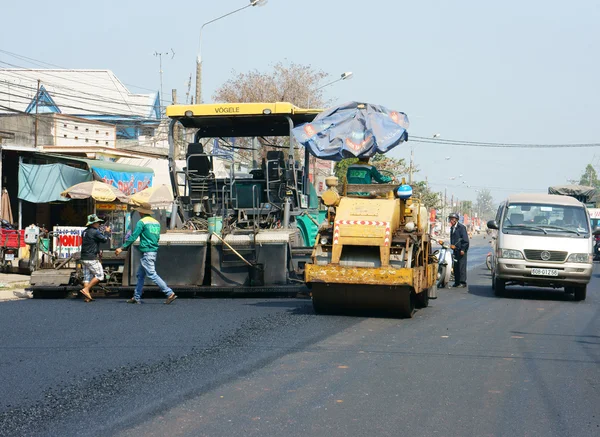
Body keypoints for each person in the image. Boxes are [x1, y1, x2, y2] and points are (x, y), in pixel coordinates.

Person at [115, 206, 177, 304]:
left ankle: (169, 293)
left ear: (141, 213)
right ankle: (136, 297)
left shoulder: (142, 222)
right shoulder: (156, 223)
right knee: (140, 275)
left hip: (147, 252)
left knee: (152, 274)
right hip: (152, 251)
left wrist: (122, 247)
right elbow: (157, 238)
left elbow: (133, 236)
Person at [80, 214, 111, 302]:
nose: (98, 224)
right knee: (100, 275)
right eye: (97, 222)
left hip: (84, 257)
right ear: (93, 223)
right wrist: (107, 232)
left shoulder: (85, 231)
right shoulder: (95, 231)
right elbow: (104, 239)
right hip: (91, 258)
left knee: (87, 277)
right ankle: (86, 290)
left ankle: (87, 297)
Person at [448, 212, 469, 288]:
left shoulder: (461, 227)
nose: (451, 221)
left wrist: (463, 249)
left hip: (461, 250)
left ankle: (462, 282)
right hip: (455, 250)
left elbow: (465, 240)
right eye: (450, 219)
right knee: (455, 266)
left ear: (456, 220)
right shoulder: (452, 228)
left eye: (452, 219)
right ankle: (457, 282)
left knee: (461, 266)